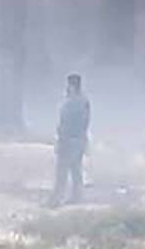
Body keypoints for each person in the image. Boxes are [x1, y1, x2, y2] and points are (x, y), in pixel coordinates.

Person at [49, 73, 90, 207]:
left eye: (69, 85)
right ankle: (76, 196)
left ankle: (57, 198)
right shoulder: (81, 101)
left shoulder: (75, 102)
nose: (67, 88)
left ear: (73, 86)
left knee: (63, 169)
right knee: (75, 169)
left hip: (70, 140)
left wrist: (64, 137)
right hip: (76, 140)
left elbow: (71, 123)